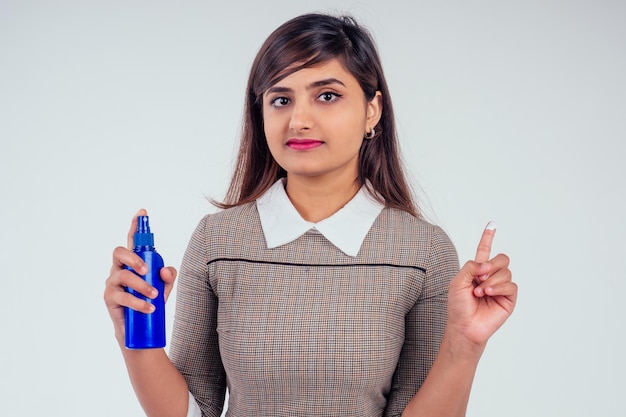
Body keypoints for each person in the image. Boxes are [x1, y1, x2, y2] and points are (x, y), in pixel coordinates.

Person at [104, 13, 517, 417]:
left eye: (327, 95)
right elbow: (195, 412)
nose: (299, 120)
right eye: (281, 100)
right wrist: (133, 338)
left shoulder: (423, 251)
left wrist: (464, 346)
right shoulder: (217, 241)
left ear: (372, 110)